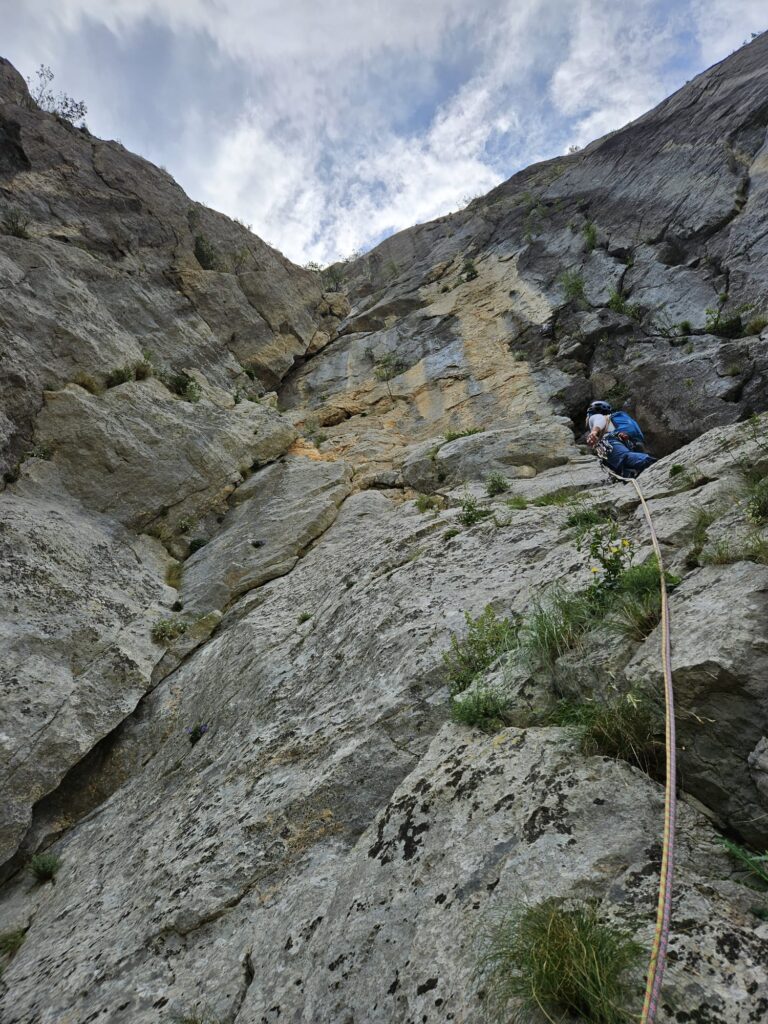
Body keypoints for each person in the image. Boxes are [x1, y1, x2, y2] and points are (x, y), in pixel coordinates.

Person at [585, 400, 657, 478]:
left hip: (611, 442)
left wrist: (594, 432)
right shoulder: (615, 421)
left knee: (624, 457)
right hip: (626, 443)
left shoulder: (595, 417)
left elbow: (600, 419)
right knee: (623, 464)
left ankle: (650, 462)